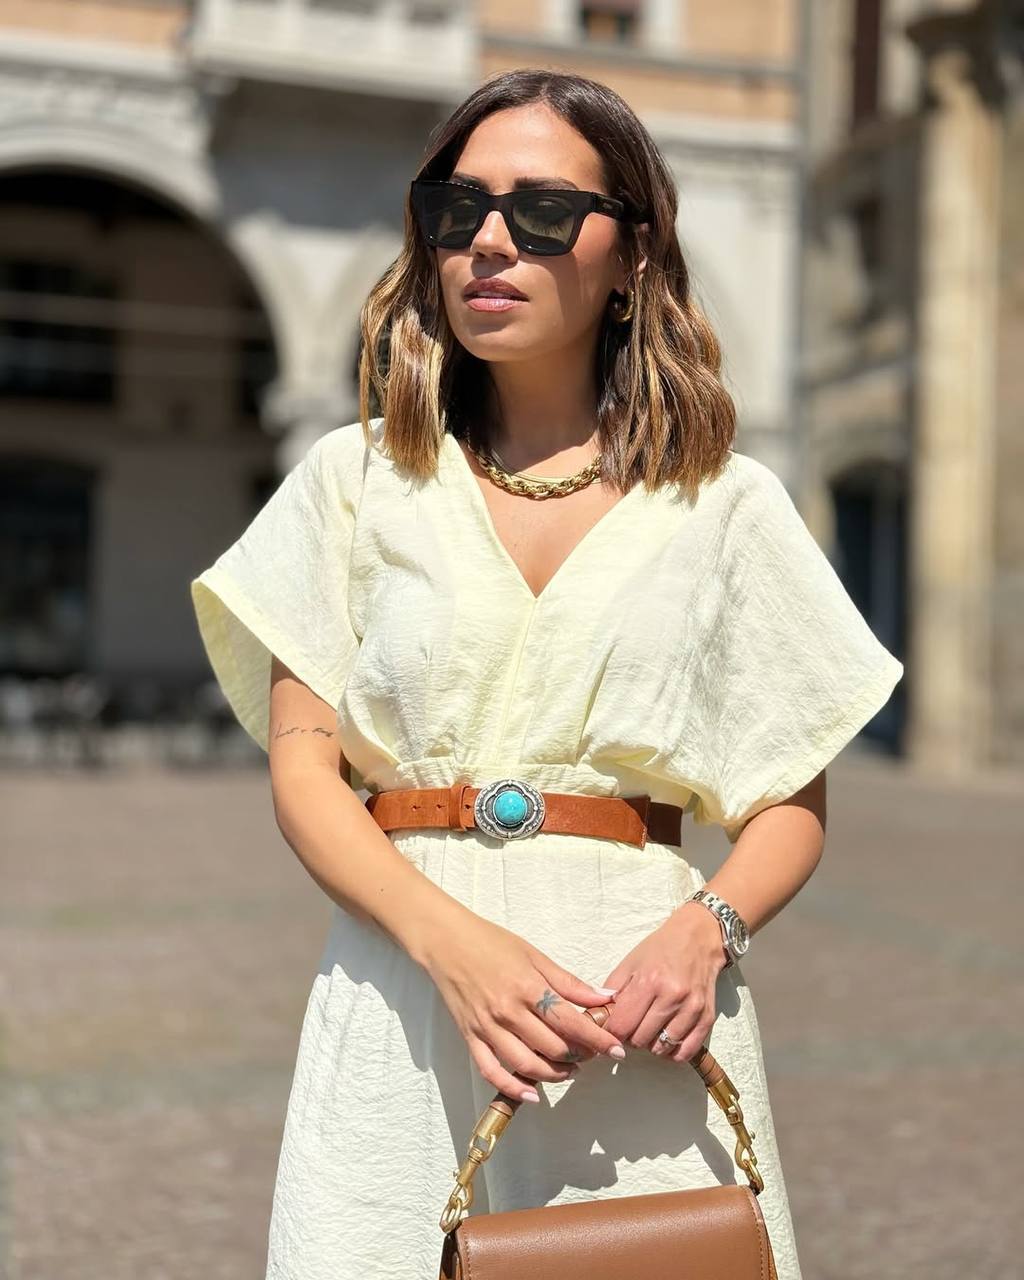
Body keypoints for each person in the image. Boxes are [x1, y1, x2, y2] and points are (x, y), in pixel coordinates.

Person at [190, 68, 903, 1280]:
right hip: (404, 989)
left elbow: (789, 802)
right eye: (455, 209)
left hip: (633, 1017)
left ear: (632, 253)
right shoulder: (352, 481)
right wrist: (451, 946)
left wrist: (705, 931)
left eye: (540, 212)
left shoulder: (724, 503)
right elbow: (305, 771)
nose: (487, 242)